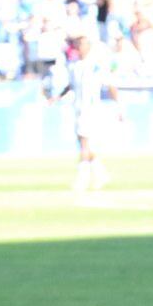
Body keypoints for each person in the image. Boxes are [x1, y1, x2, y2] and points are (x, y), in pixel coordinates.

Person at [54, 31, 121, 191]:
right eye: (78, 44)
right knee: (83, 143)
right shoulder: (75, 66)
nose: (80, 47)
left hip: (90, 109)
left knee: (84, 143)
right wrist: (57, 96)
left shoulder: (95, 66)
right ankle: (101, 173)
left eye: (83, 44)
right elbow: (70, 85)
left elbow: (110, 84)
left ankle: (82, 179)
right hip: (78, 108)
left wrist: (118, 105)